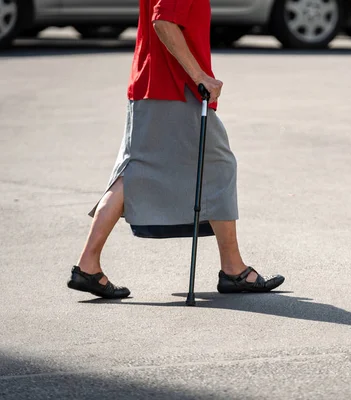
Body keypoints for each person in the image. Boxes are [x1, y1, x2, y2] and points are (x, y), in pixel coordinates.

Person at [67, 0, 285, 299]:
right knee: (213, 167)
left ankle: (88, 265)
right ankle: (233, 270)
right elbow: (164, 22)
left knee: (139, 171)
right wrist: (199, 76)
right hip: (173, 88)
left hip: (157, 85)